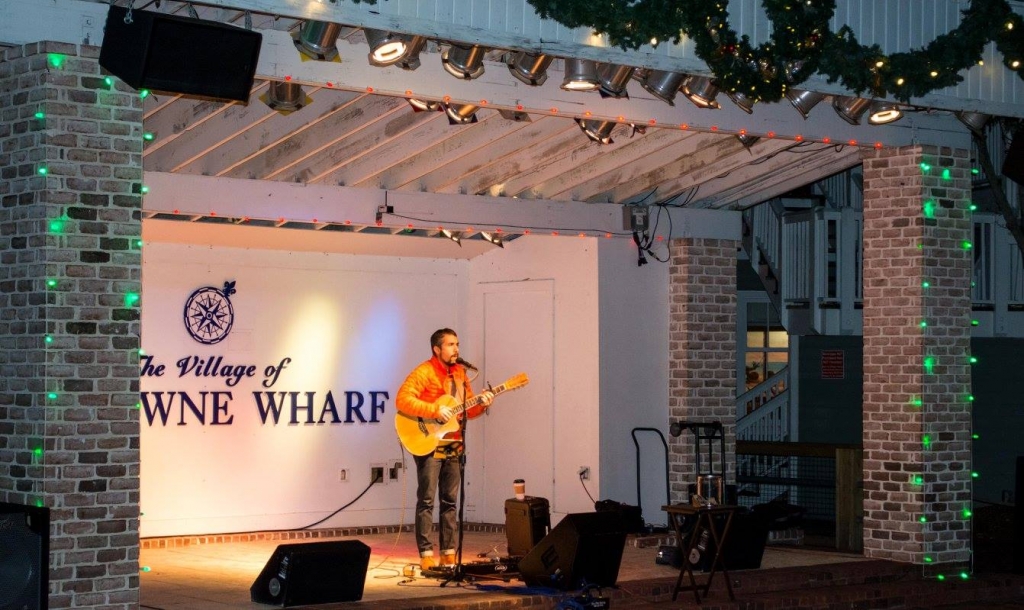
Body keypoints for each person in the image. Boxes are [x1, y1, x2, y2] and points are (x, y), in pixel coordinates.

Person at [396, 328, 493, 571]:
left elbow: (467, 410)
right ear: (436, 349)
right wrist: (434, 411)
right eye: (450, 344)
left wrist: (482, 404)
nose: (456, 349)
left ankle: (449, 553)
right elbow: (402, 399)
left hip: (454, 441)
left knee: (450, 500)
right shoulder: (424, 371)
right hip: (429, 440)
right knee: (427, 499)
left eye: (457, 344)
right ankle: (426, 553)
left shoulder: (460, 373)